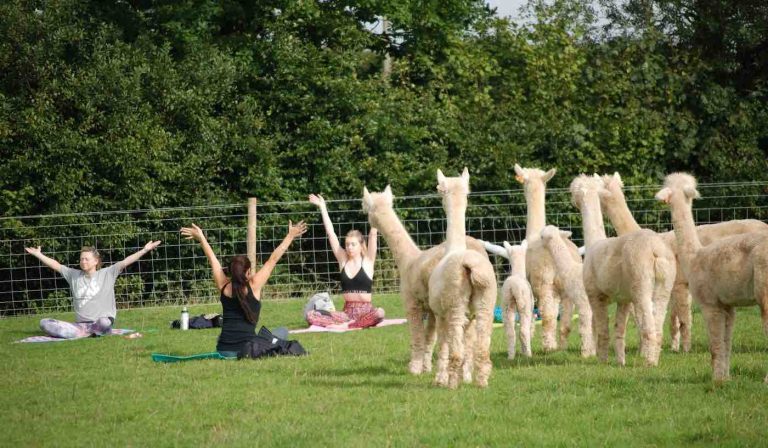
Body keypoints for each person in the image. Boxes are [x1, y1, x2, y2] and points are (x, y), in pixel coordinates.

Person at [180, 221, 307, 357]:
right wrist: (290, 236)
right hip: (247, 350)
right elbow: (273, 259)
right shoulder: (254, 285)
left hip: (222, 349)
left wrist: (202, 238)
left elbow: (212, 259)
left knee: (275, 334)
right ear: (247, 272)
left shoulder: (224, 286)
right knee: (281, 331)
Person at [24, 242, 162, 338]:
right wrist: (38, 254)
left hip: (100, 322)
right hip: (80, 326)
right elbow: (56, 265)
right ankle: (83, 333)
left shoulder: (108, 273)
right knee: (44, 323)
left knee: (104, 322)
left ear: (96, 261)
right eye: (81, 259)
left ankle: (96, 331)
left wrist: (145, 250)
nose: (83, 261)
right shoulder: (73, 275)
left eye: (87, 259)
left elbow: (127, 261)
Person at [306, 194, 385, 329]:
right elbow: (331, 233)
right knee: (311, 315)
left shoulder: (368, 261)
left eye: (353, 244)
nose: (349, 247)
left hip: (366, 311)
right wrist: (322, 207)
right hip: (346, 313)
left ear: (361, 246)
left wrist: (374, 209)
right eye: (347, 244)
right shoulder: (343, 259)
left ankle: (350, 325)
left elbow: (373, 235)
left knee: (380, 313)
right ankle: (348, 324)